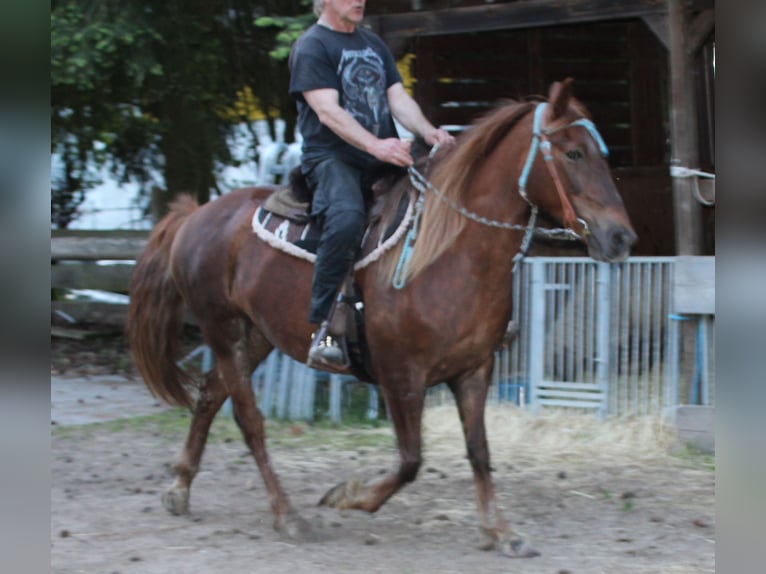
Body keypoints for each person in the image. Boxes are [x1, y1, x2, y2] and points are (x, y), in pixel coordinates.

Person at [289, 0, 455, 370]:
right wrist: (376, 144)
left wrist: (428, 132)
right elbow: (327, 111)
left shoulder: (373, 43)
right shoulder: (312, 45)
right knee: (347, 220)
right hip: (332, 159)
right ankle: (325, 329)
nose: (359, 0)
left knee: (440, 205)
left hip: (381, 156)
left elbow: (397, 98)